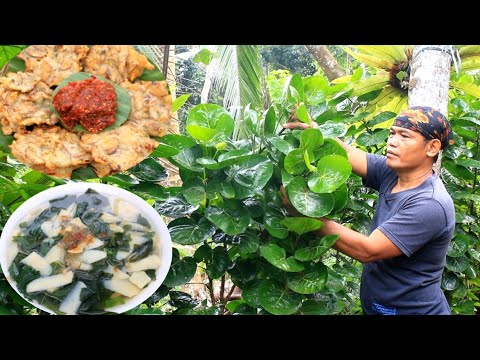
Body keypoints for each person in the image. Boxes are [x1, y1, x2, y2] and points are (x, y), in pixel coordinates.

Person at [282, 105, 455, 315]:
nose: (392, 141)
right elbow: (346, 154)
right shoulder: (392, 173)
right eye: (392, 133)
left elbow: (367, 250)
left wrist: (304, 215)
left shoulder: (430, 204)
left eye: (404, 136)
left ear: (432, 147)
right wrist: (312, 131)